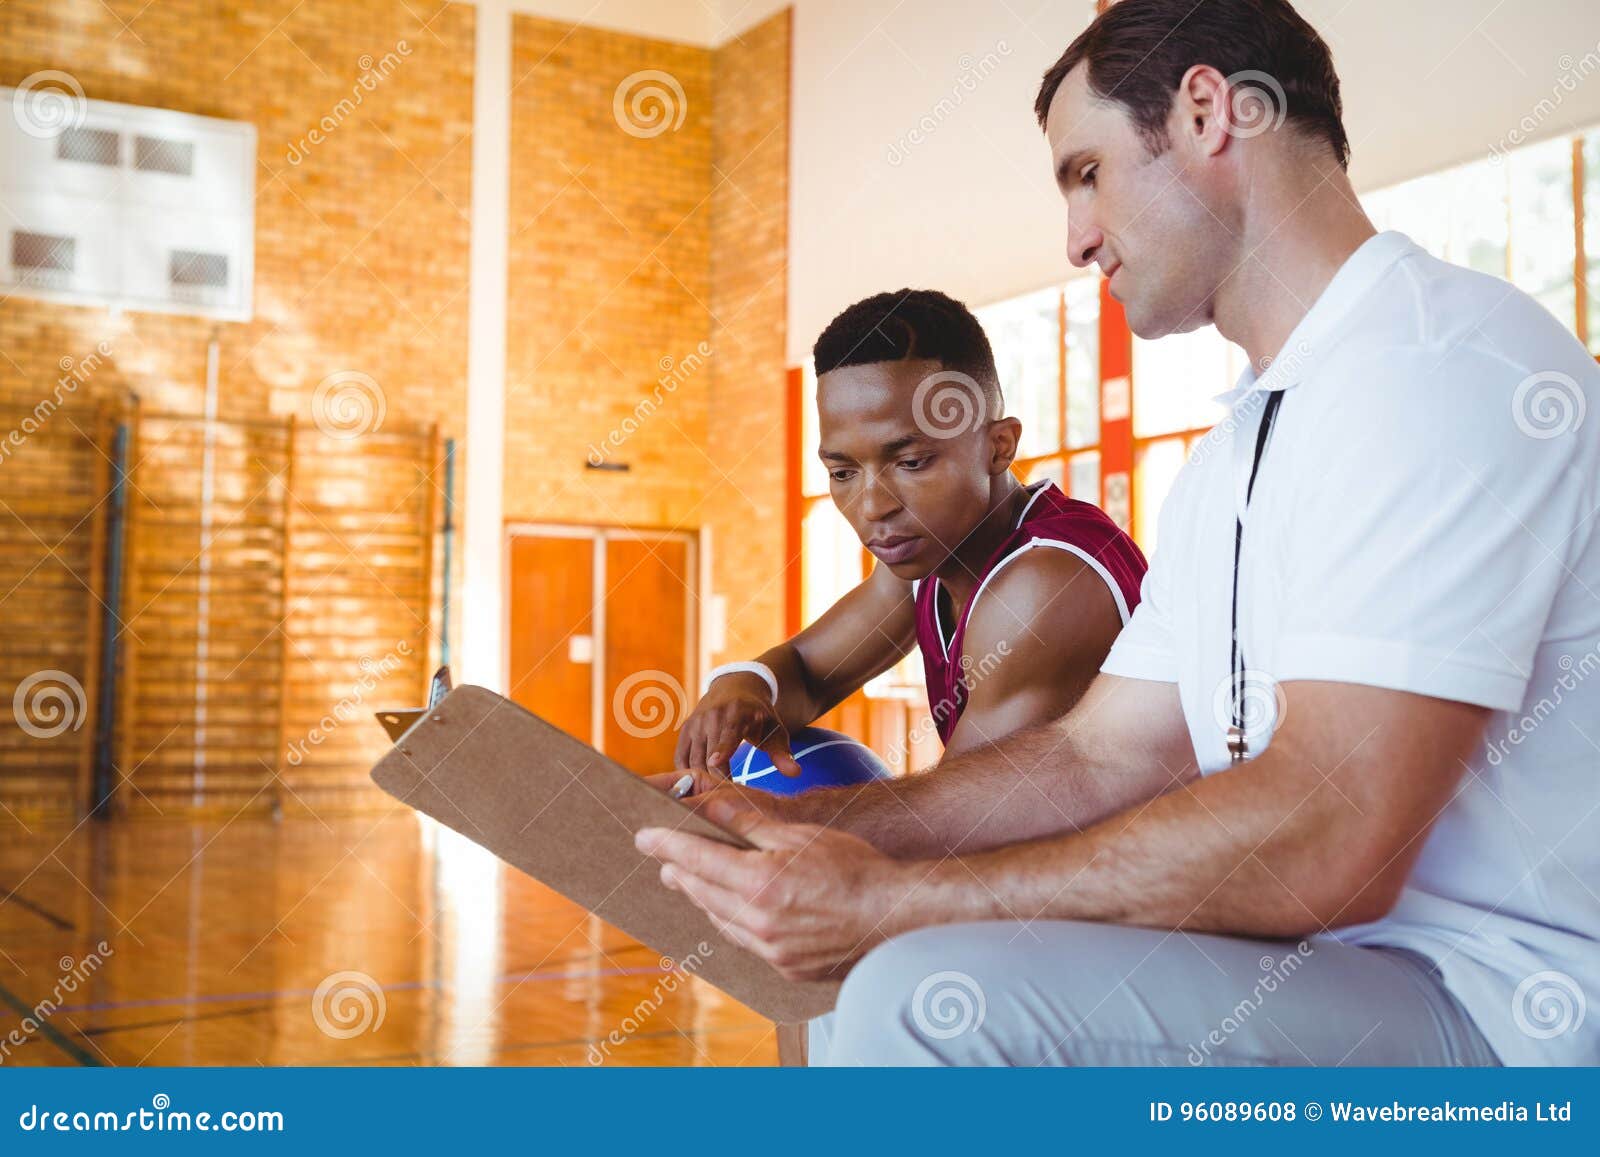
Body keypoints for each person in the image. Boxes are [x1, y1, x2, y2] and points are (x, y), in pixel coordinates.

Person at [637, 0, 1600, 1068]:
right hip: (1342, 962)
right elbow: (1099, 754)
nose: (1077, 238)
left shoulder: (1436, 366)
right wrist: (833, 833)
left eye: (1085, 173)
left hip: (1502, 1006)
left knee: (921, 988)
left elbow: (1334, 829)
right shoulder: (1244, 445)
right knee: (866, 972)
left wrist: (895, 901)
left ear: (1204, 116)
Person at [669, 289, 1147, 783]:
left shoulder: (1046, 584)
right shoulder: (929, 565)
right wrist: (745, 685)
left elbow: (960, 822)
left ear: (999, 446)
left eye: (911, 462)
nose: (874, 506)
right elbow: (807, 674)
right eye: (843, 472)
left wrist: (767, 822)